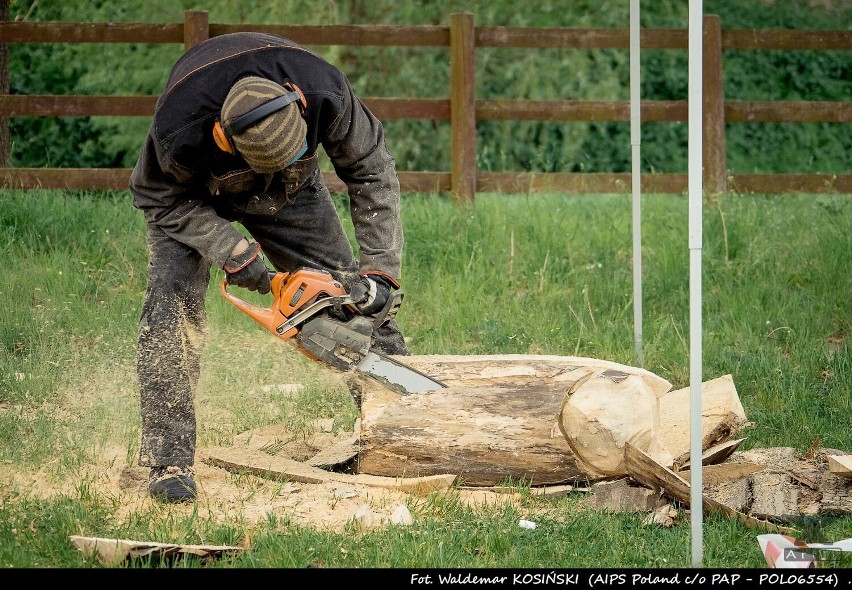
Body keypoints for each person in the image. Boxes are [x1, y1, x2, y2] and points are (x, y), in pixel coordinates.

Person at [129, 32, 409, 503]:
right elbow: (156, 197)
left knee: (347, 302)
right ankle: (168, 461)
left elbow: (373, 170)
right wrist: (230, 249)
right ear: (223, 136)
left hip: (293, 191)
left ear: (300, 106)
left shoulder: (327, 93)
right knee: (170, 316)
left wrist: (379, 274)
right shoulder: (178, 131)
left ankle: (405, 423)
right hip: (190, 196)